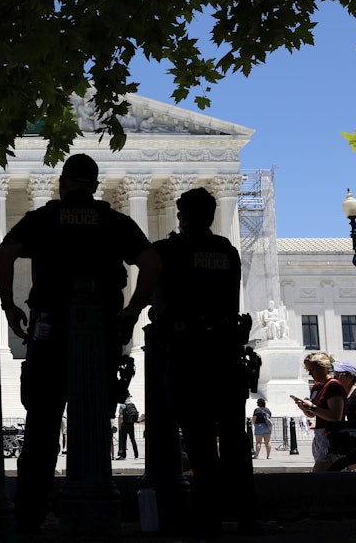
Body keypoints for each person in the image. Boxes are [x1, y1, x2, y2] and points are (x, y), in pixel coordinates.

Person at [0, 153, 157, 534]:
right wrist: (133, 310)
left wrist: (8, 305)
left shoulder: (45, 218)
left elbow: (3, 255)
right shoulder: (114, 222)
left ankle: (30, 513)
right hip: (100, 331)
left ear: (63, 183)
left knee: (42, 425)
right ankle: (94, 504)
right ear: (96, 185)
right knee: (94, 420)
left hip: (50, 329)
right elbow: (151, 262)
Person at [147, 187, 258, 536]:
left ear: (182, 216)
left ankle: (207, 516)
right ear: (210, 216)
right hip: (226, 354)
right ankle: (244, 515)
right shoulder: (228, 252)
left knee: (198, 441)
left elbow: (157, 298)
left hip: (189, 355)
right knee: (234, 441)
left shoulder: (169, 251)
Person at [293, 351, 345, 472]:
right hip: (320, 436)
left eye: (312, 369)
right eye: (309, 370)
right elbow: (312, 413)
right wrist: (304, 407)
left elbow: (335, 416)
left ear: (324, 368)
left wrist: (311, 407)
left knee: (320, 472)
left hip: (332, 436)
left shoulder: (334, 386)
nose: (310, 373)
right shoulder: (317, 386)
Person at [116, 394, 139, 460]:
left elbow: (120, 416)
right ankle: (136, 455)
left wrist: (119, 425)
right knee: (133, 439)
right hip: (131, 425)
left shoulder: (122, 405)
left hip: (125, 425)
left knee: (124, 440)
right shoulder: (132, 404)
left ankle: (123, 456)